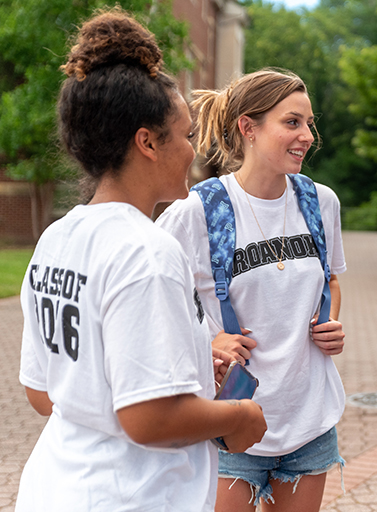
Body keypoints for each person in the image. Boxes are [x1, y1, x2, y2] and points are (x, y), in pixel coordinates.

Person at [16, 9, 267, 512]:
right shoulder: (147, 251)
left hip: (54, 489)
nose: (194, 152)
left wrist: (194, 366)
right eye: (187, 135)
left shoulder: (57, 238)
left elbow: (44, 391)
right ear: (147, 142)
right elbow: (148, 418)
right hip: (133, 497)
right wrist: (240, 416)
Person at [156, 69, 347, 512]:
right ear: (248, 127)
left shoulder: (321, 202)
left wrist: (331, 320)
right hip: (230, 421)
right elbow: (156, 294)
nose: (307, 136)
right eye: (292, 122)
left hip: (308, 419)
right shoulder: (198, 209)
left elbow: (331, 279)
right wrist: (208, 340)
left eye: (309, 124)